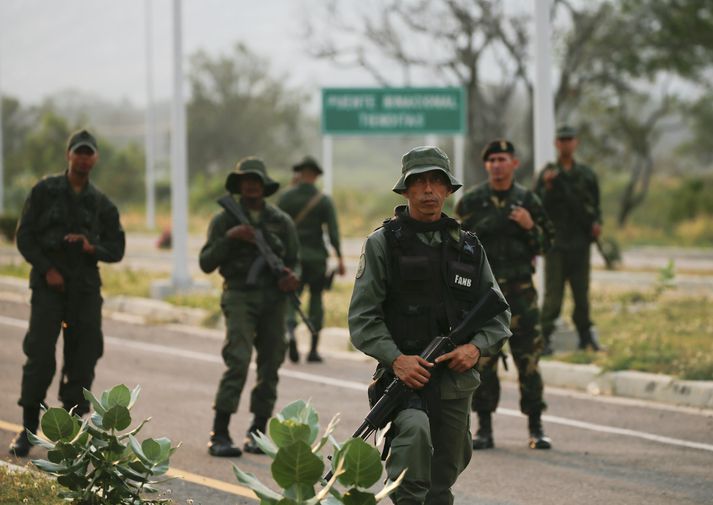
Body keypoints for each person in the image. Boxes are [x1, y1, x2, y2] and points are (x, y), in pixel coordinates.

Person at [348, 146, 511, 505]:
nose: (428, 191)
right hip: (406, 378)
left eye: (436, 182)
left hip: (454, 382)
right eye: (418, 183)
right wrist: (396, 359)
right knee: (413, 445)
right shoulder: (383, 244)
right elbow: (363, 318)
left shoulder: (468, 247)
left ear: (448, 190)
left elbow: (498, 314)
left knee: (443, 476)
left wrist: (475, 348)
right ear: (405, 190)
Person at [9, 129, 125, 457]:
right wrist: (48, 269)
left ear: (96, 158)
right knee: (40, 356)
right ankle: (28, 429)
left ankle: (70, 434)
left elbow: (117, 247)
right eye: (79, 152)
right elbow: (25, 236)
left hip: (85, 289)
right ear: (69, 155)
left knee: (83, 357)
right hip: (49, 287)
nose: (84, 158)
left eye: (89, 153)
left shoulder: (101, 203)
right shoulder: (45, 191)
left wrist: (92, 247)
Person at [455, 139, 555, 451]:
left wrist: (529, 226)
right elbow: (456, 247)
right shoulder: (471, 201)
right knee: (484, 362)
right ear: (486, 165)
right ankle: (484, 429)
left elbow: (546, 245)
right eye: (492, 159)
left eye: (503, 159)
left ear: (514, 163)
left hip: (522, 296)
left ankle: (536, 428)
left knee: (529, 361)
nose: (497, 164)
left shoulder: (528, 200)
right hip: (483, 299)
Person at [199, 157, 300, 457]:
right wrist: (230, 238)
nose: (251, 186)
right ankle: (219, 432)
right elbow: (206, 262)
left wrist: (291, 279)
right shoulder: (224, 219)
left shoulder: (281, 221)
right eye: (246, 181)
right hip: (240, 295)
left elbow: (295, 263)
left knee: (271, 363)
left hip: (273, 299)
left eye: (256, 181)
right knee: (239, 360)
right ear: (239, 186)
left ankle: (257, 432)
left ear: (264, 186)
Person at [535, 125, 602, 354]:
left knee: (581, 295)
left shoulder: (586, 174)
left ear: (576, 143)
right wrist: (549, 187)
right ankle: (542, 339)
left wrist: (596, 225)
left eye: (569, 139)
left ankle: (585, 337)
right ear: (557, 144)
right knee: (553, 297)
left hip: (580, 244)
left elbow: (595, 205)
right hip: (556, 245)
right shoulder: (547, 174)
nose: (566, 144)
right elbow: (538, 206)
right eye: (562, 140)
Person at [277, 156, 345, 363]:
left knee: (292, 298)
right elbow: (333, 232)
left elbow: (275, 227)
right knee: (316, 299)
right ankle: (313, 350)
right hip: (316, 259)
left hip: (291, 258)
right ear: (315, 175)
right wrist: (340, 258)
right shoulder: (323, 200)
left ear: (299, 173)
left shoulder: (286, 198)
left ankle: (290, 332)